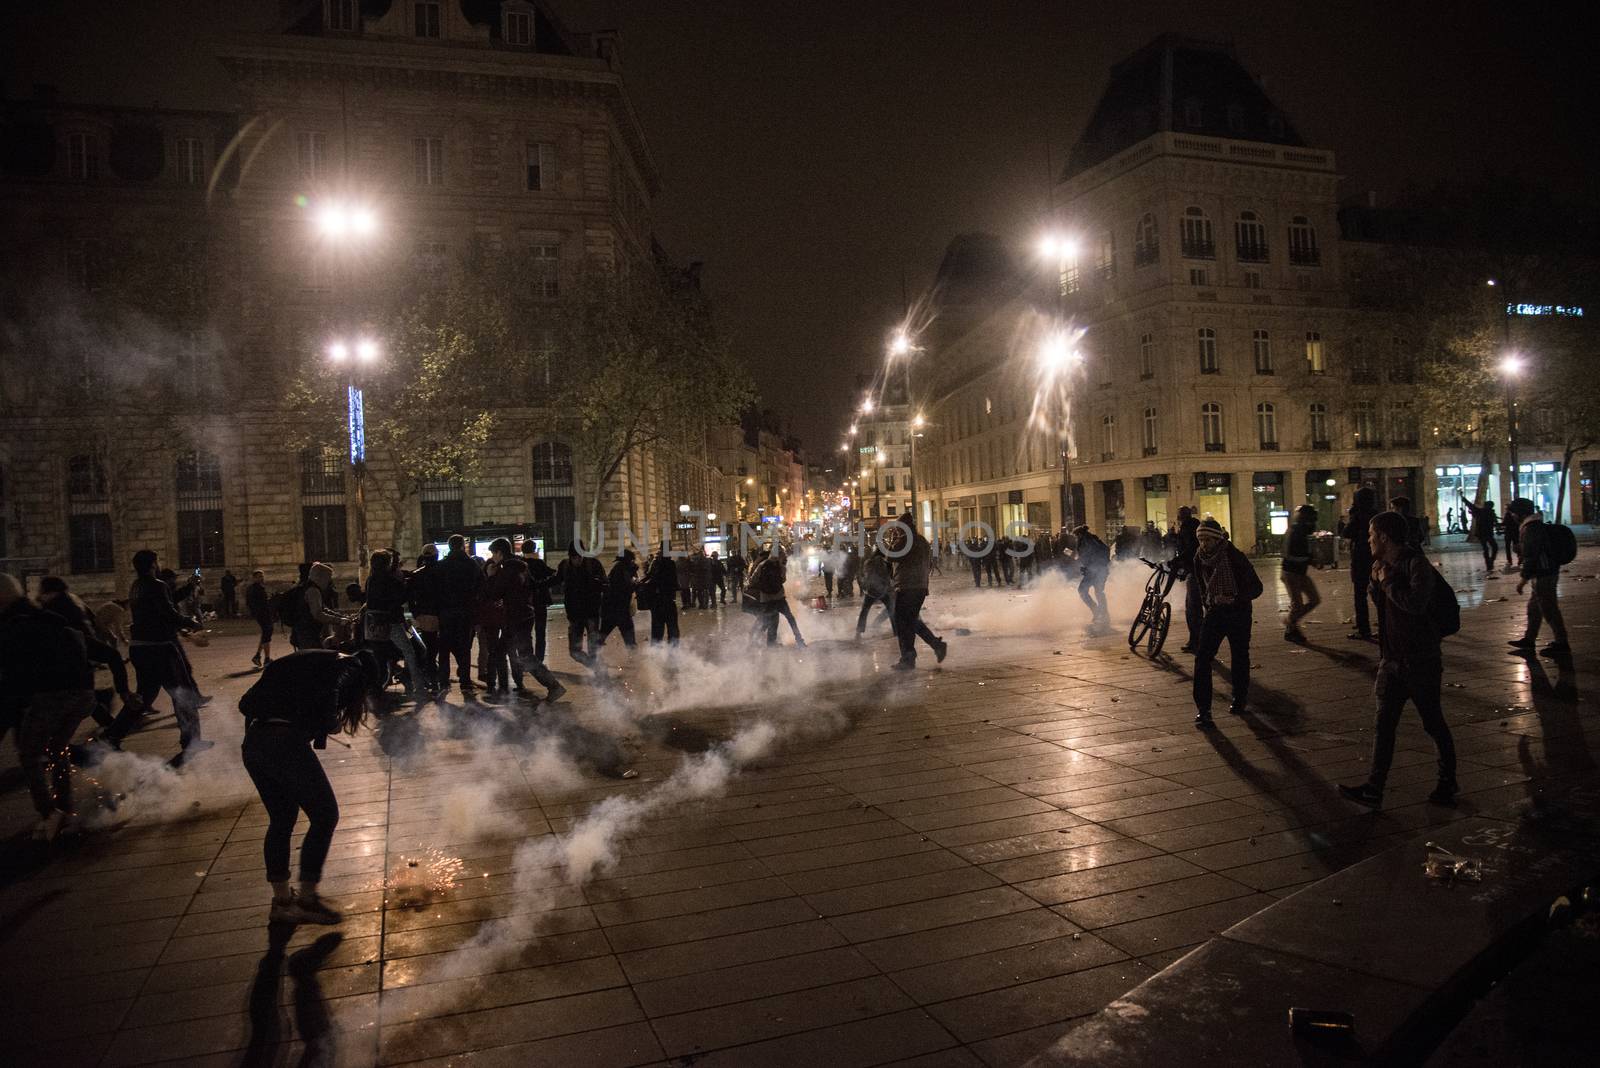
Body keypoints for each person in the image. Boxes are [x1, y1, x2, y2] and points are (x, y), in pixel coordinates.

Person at [239, 649, 382, 925]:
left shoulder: (305, 661)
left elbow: (246, 704)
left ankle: (282, 902)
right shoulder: (348, 664)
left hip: (255, 744)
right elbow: (332, 691)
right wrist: (331, 722)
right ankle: (306, 899)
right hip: (283, 744)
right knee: (325, 815)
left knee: (281, 819)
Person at [1339, 511, 1457, 807]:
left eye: (1370, 535)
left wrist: (1388, 581)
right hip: (1391, 660)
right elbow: (1384, 607)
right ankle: (1374, 788)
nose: (1367, 540)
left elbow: (1415, 605)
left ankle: (1447, 780)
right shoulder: (1381, 565)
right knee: (1383, 724)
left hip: (1421, 660)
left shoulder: (1416, 564)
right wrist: (1375, 583)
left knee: (1433, 722)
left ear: (1384, 537)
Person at [0, 575, 132, 838]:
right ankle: (66, 807)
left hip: (51, 697)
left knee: (29, 755)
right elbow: (110, 653)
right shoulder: (59, 622)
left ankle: (50, 814)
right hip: (83, 695)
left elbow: (12, 677)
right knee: (56, 749)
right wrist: (125, 691)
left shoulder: (14, 627)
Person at [122, 549, 211, 761]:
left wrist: (190, 586)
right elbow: (168, 613)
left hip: (141, 647)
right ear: (153, 564)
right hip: (159, 647)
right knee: (182, 693)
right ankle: (192, 741)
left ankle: (112, 735)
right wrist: (192, 623)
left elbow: (163, 605)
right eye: (157, 561)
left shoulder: (136, 586)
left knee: (144, 696)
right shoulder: (156, 584)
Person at [1190, 519, 1263, 728]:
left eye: (1207, 539)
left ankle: (1239, 698)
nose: (1204, 544)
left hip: (1238, 612)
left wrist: (1234, 598)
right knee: (1203, 658)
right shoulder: (1199, 558)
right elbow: (1201, 585)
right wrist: (1209, 601)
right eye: (1200, 539)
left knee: (1239, 655)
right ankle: (1203, 710)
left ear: (1217, 538)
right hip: (1215, 613)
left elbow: (1257, 588)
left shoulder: (1234, 556)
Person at [887, 515, 948, 670]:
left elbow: (890, 556)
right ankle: (935, 646)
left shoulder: (906, 540)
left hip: (906, 586)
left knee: (902, 623)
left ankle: (909, 657)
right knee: (911, 621)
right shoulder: (922, 541)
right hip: (920, 586)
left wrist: (893, 540)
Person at [364, 551, 428, 698]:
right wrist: (407, 585)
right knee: (409, 652)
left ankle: (377, 688)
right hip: (390, 622)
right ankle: (418, 687)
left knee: (380, 656)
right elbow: (400, 598)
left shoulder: (371, 579)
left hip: (373, 623)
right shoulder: (388, 580)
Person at [1509, 512, 1569, 657]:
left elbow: (1532, 555)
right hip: (1543, 572)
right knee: (1534, 608)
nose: (1512, 515)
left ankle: (1562, 643)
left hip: (1544, 574)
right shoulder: (1533, 526)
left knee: (1549, 609)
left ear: (1520, 511)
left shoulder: (1531, 529)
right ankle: (1529, 639)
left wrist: (1523, 580)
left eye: (1512, 512)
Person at [434, 535, 482, 693]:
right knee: (463, 647)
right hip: (465, 611)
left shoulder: (442, 566)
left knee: (444, 647)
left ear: (449, 546)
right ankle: (465, 681)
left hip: (446, 611)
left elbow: (435, 589)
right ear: (462, 546)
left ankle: (443, 681)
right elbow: (480, 586)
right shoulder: (471, 564)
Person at [556, 543, 606, 665]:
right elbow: (556, 579)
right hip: (574, 615)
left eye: (579, 557)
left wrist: (596, 583)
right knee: (574, 651)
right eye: (574, 558)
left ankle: (599, 675)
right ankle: (597, 669)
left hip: (591, 613)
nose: (577, 560)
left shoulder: (593, 564)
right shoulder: (565, 565)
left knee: (593, 650)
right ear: (570, 557)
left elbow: (605, 584)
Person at [1281, 504, 1321, 644]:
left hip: (1300, 572)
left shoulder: (1304, 532)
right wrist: (1309, 559)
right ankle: (1291, 628)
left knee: (1315, 599)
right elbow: (1287, 555)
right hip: (1290, 573)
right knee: (1297, 604)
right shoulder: (1294, 531)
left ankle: (1291, 623)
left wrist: (1311, 560)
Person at [1343, 488, 1379, 641]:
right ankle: (1385, 625)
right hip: (1375, 557)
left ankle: (1363, 628)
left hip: (1360, 557)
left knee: (1360, 595)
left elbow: (1347, 532)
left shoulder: (1357, 515)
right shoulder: (1376, 514)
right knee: (1379, 593)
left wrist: (1351, 516)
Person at [291, 562, 350, 653]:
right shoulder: (313, 591)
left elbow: (323, 608)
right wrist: (339, 620)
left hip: (306, 631)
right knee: (314, 658)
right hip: (307, 632)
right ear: (321, 577)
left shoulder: (310, 587)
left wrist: (339, 616)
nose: (329, 580)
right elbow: (318, 614)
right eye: (328, 577)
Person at [407, 546, 442, 686]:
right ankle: (440, 677)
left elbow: (410, 597)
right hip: (442, 613)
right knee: (441, 647)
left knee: (429, 648)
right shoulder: (443, 572)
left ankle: (432, 678)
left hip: (425, 615)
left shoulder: (416, 574)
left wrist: (416, 612)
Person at [521, 541, 556, 663]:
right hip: (540, 601)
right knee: (540, 632)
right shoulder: (539, 563)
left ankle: (528, 659)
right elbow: (552, 573)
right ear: (534, 550)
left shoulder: (521, 563)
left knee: (526, 632)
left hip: (526, 602)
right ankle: (539, 659)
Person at [1174, 507, 1203, 652]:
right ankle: (1198, 640)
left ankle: (1196, 641)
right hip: (1194, 570)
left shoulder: (1188, 528)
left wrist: (1178, 560)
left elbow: (1190, 550)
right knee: (1194, 607)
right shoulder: (1195, 526)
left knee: (1193, 608)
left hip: (1195, 572)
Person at [1073, 525, 1111, 633]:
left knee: (1082, 590)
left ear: (1079, 534)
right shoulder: (1093, 539)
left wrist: (1088, 566)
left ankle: (1097, 611)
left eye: (1076, 536)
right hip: (1100, 569)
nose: (1076, 538)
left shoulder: (1086, 541)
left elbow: (1089, 556)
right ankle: (1103, 614)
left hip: (1095, 570)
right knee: (1099, 592)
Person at [599, 550, 640, 649]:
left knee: (603, 633)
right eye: (631, 561)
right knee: (628, 633)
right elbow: (626, 587)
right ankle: (633, 655)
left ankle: (593, 654)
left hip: (612, 608)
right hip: (618, 608)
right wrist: (635, 585)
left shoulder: (619, 568)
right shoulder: (622, 569)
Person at [644, 549, 681, 645]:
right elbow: (674, 582)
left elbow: (649, 578)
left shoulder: (656, 564)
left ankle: (657, 648)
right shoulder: (670, 564)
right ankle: (673, 647)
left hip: (658, 601)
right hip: (667, 600)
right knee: (671, 626)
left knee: (658, 627)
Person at [856, 545, 894, 635]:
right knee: (891, 610)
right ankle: (896, 631)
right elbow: (889, 576)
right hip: (883, 591)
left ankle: (859, 631)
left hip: (871, 591)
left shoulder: (868, 562)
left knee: (864, 610)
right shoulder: (885, 563)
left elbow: (864, 575)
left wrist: (864, 587)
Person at [1459, 494, 1499, 572]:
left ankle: (1489, 564)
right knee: (1493, 547)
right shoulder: (1490, 513)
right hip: (1487, 533)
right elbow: (1495, 523)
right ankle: (1490, 562)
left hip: (1482, 533)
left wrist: (1463, 498)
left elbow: (1470, 505)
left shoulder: (1481, 511)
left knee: (1486, 549)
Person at [245, 569, 274, 668]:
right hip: (263, 614)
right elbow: (256, 603)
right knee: (267, 635)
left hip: (262, 614)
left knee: (266, 635)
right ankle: (266, 659)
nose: (261, 578)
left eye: (262, 576)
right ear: (254, 578)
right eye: (259, 576)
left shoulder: (258, 588)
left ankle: (258, 656)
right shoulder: (255, 589)